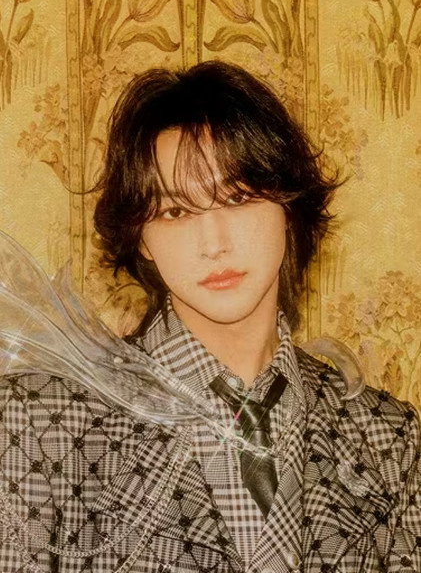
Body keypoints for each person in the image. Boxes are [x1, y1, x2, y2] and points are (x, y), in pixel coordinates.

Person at [0, 61, 420, 573]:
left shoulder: (386, 437)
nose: (214, 244)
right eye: (176, 212)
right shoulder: (38, 418)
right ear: (142, 238)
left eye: (238, 198)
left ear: (289, 210)